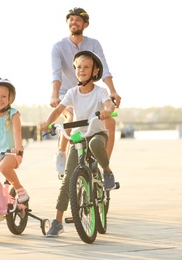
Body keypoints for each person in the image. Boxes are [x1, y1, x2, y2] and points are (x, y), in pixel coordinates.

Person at [41, 50, 116, 237]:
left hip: (96, 132)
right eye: (79, 67)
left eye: (87, 67)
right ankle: (58, 221)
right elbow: (58, 109)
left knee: (96, 145)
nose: (82, 70)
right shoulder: (72, 93)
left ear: (95, 71)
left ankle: (106, 171)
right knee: (68, 179)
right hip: (78, 137)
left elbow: (109, 104)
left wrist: (107, 110)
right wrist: (47, 122)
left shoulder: (100, 91)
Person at [50, 7, 121, 175]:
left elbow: (104, 68)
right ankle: (61, 151)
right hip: (68, 93)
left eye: (78, 20)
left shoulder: (94, 44)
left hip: (92, 94)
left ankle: (104, 167)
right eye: (71, 19)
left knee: (110, 122)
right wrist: (54, 94)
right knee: (71, 117)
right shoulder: (58, 47)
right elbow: (56, 73)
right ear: (68, 22)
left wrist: (112, 91)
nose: (74, 22)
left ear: (85, 24)